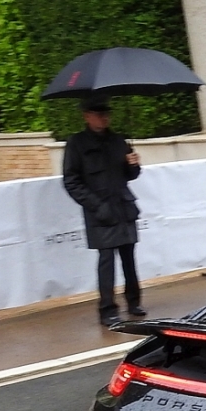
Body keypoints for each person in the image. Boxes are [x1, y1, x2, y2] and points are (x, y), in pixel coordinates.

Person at [62, 96, 146, 327]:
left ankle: (134, 302)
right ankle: (107, 309)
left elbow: (131, 175)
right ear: (86, 116)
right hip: (100, 211)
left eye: (106, 113)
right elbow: (71, 181)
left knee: (129, 259)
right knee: (106, 261)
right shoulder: (76, 144)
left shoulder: (118, 140)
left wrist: (133, 164)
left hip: (123, 207)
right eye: (99, 114)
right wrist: (96, 206)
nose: (104, 118)